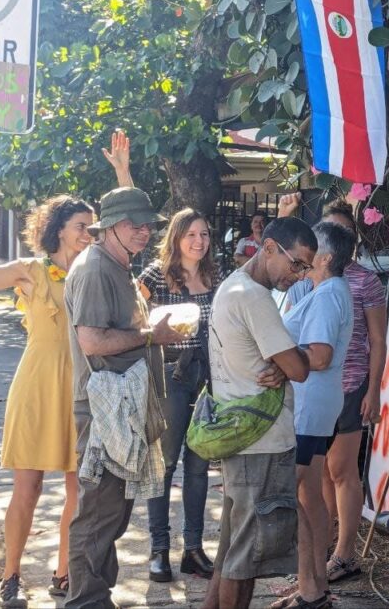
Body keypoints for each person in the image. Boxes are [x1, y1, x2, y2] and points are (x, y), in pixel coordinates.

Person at [64, 187, 186, 609]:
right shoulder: (96, 268)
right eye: (135, 224)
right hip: (103, 410)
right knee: (98, 513)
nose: (145, 231)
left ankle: (97, 595)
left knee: (112, 512)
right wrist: (155, 335)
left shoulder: (117, 262)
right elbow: (92, 341)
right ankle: (85, 601)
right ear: (110, 227)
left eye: (148, 224)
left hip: (121, 407)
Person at [0, 196, 94, 607]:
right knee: (28, 487)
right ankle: (10, 575)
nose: (87, 234)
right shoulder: (32, 270)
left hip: (80, 388)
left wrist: (123, 173)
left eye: (91, 228)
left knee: (78, 490)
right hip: (38, 384)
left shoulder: (94, 272)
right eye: (81, 225)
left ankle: (64, 572)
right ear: (59, 228)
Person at [201, 217, 318, 609]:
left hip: (243, 437)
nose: (299, 275)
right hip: (261, 442)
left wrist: (285, 366)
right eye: (296, 263)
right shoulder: (254, 296)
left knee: (233, 550)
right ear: (269, 248)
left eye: (305, 268)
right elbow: (300, 368)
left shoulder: (232, 285)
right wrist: (291, 363)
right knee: (245, 557)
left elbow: (286, 367)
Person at [280, 194, 387, 583]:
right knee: (317, 476)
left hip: (349, 383)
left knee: (342, 472)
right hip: (307, 391)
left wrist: (374, 389)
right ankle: (317, 552)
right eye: (328, 230)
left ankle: (345, 554)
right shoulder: (300, 279)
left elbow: (378, 339)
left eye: (343, 232)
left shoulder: (363, 282)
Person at [275, 220, 357, 609]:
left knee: (294, 493)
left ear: (324, 258)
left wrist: (279, 364)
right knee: (309, 494)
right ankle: (315, 583)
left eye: (312, 248)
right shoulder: (325, 289)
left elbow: (320, 355)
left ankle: (310, 586)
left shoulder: (328, 296)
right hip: (317, 402)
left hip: (310, 405)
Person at [139, 208, 224, 582]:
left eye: (204, 234)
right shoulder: (156, 276)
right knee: (165, 462)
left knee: (200, 464)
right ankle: (159, 549)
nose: (198, 242)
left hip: (207, 376)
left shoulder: (214, 275)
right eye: (191, 235)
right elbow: (131, 316)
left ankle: (193, 549)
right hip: (169, 374)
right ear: (176, 238)